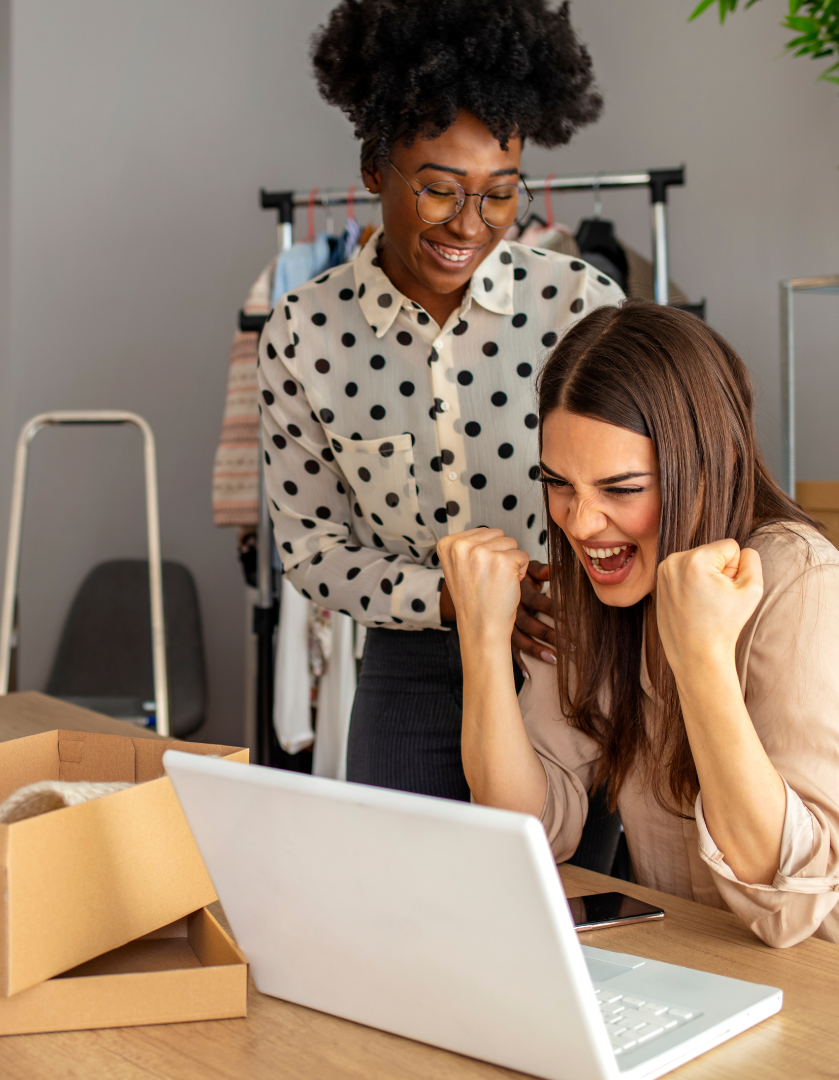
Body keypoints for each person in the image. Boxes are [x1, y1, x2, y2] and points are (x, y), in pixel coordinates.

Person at [258, 0, 622, 802]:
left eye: (500, 196)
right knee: (402, 903)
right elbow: (311, 548)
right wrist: (456, 599)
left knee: (570, 909)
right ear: (372, 170)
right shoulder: (304, 332)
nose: (470, 225)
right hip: (411, 669)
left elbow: (638, 493)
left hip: (568, 656)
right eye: (438, 191)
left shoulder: (581, 307)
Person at [440, 300, 839, 947]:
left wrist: (701, 659)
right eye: (559, 483)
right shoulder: (597, 581)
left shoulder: (801, 582)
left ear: (709, 464)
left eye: (621, 489)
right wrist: (484, 640)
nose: (580, 522)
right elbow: (533, 831)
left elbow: (790, 906)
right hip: (691, 969)